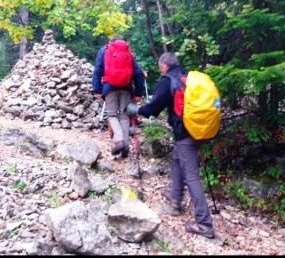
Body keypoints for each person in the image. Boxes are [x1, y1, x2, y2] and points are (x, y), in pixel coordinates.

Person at [126, 52, 215, 239]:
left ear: (164, 66)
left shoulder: (168, 81)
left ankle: (205, 224)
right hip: (201, 128)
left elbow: (153, 109)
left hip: (186, 134)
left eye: (160, 67)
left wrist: (136, 109)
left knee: (191, 176)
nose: (160, 70)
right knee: (176, 157)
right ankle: (175, 197)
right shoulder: (187, 78)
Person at [92, 36, 145, 158]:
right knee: (124, 116)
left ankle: (119, 140)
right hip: (126, 88)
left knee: (112, 115)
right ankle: (125, 146)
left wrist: (97, 89)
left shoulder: (104, 50)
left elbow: (98, 71)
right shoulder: (127, 51)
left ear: (109, 42)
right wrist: (138, 93)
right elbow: (137, 73)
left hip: (109, 88)